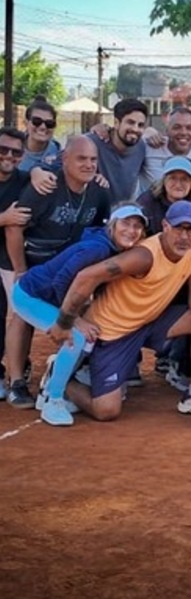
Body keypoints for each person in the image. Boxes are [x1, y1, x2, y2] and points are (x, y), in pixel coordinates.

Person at [46, 201, 191, 422]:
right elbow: (86, 276)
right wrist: (66, 321)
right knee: (106, 411)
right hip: (113, 332)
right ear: (165, 226)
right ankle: (59, 376)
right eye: (179, 228)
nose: (184, 236)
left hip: (150, 321)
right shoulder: (143, 256)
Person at [11, 204, 148, 425]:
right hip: (30, 296)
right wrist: (73, 319)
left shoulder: (114, 248)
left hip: (49, 297)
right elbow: (61, 281)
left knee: (91, 330)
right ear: (112, 225)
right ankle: (53, 400)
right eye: (126, 224)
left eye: (137, 226)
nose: (131, 230)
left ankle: (58, 383)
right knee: (75, 337)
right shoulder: (97, 249)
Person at [4, 136, 111, 408]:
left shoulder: (98, 191)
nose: (88, 165)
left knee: (80, 311)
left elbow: (102, 229)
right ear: (65, 159)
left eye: (93, 160)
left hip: (68, 267)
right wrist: (20, 269)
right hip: (33, 261)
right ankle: (16, 382)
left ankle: (67, 372)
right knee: (22, 317)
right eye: (81, 158)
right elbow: (14, 227)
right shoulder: (46, 185)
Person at [136, 156, 191, 265]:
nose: (178, 184)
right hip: (152, 259)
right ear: (164, 181)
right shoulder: (147, 202)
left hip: (186, 260)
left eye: (184, 179)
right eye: (173, 178)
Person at [0, 129, 31, 401]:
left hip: (9, 259)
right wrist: (4, 218)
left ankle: (17, 372)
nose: (9, 156)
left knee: (19, 315)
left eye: (16, 152)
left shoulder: (25, 179)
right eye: (3, 150)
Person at [141, 105, 191, 189]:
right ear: (167, 131)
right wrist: (144, 133)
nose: (183, 132)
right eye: (177, 127)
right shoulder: (149, 148)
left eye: (189, 128)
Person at [90, 98, 148, 203]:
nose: (135, 129)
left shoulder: (141, 147)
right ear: (116, 123)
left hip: (123, 211)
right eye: (130, 122)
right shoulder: (92, 142)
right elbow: (63, 163)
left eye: (140, 125)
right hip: (93, 211)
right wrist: (85, 176)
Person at [18, 98, 61, 172]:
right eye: (37, 121)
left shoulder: (59, 155)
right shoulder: (11, 151)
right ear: (26, 123)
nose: (43, 127)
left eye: (49, 123)